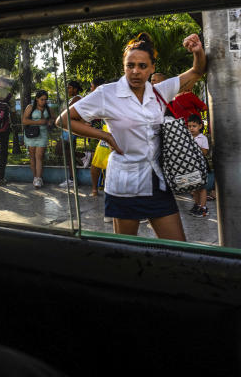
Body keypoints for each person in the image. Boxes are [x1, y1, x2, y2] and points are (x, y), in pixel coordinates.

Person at [58, 32, 207, 241]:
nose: (135, 72)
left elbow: (197, 71)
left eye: (142, 66)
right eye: (130, 65)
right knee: (126, 251)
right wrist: (105, 136)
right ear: (124, 66)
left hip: (158, 182)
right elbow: (64, 120)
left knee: (179, 247)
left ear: (153, 68)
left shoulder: (159, 91)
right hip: (124, 185)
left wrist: (197, 50)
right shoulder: (106, 93)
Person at [23, 90, 53, 188]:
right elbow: (24, 120)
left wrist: (49, 122)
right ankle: (35, 177)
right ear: (36, 99)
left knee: (39, 156)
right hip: (31, 134)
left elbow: (54, 119)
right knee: (32, 156)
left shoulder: (48, 108)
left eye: (45, 100)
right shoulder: (30, 107)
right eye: (42, 99)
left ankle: (39, 178)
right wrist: (38, 122)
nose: (43, 101)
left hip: (43, 134)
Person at [59, 80, 83, 188]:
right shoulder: (73, 99)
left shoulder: (77, 98)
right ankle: (72, 179)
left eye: (69, 88)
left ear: (75, 88)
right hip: (67, 128)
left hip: (70, 128)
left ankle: (84, 155)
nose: (67, 90)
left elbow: (68, 112)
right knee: (69, 154)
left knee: (61, 149)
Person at [87, 77, 108, 198]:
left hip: (117, 136)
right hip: (104, 136)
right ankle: (95, 189)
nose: (91, 89)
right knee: (95, 165)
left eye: (91, 86)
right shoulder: (95, 100)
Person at [186, 115, 210, 217]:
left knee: (202, 187)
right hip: (191, 165)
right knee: (194, 187)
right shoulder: (187, 138)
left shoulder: (202, 138)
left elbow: (205, 152)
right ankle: (197, 204)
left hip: (200, 165)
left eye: (194, 126)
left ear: (200, 126)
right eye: (189, 126)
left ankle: (203, 208)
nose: (191, 128)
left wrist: (194, 147)